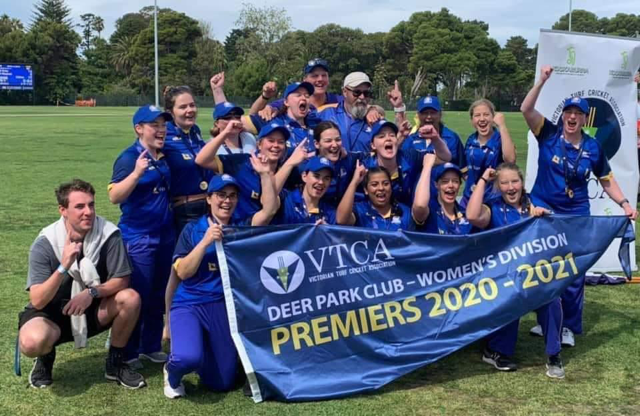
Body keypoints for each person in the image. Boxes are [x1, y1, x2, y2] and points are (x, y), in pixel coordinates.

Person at [520, 65, 637, 347]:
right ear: (563, 116)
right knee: (542, 268)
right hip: (543, 211)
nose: (572, 117)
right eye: (569, 112)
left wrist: (624, 203)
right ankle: (545, 320)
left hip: (575, 215)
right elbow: (526, 109)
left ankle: (568, 326)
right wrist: (541, 81)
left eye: (578, 114)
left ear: (585, 118)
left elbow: (607, 180)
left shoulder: (594, 147)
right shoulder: (547, 133)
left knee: (572, 272)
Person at [164, 166, 279, 398]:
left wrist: (266, 174)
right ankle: (171, 371)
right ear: (209, 198)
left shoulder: (240, 227)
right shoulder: (193, 229)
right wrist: (205, 241)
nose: (227, 201)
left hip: (222, 307)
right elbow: (183, 273)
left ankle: (201, 347)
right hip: (190, 303)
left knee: (222, 382)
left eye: (232, 196)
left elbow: (268, 211)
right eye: (221, 195)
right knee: (187, 358)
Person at [18, 179, 145, 389]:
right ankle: (45, 359)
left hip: (91, 308)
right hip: (51, 314)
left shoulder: (108, 234)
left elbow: (122, 280)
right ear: (63, 210)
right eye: (79, 206)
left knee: (130, 298)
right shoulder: (45, 242)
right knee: (32, 342)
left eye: (91, 205)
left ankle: (115, 363)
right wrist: (63, 266)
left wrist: (91, 293)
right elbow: (38, 300)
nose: (88, 212)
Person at [466, 163, 565, 379]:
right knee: (510, 294)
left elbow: (556, 236)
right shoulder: (493, 207)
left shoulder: (535, 204)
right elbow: (472, 216)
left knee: (552, 298)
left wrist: (542, 219)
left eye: (515, 181)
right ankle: (495, 350)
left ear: (522, 182)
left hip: (535, 276)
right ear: (498, 186)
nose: (511, 187)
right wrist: (483, 180)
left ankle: (554, 355)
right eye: (504, 183)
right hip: (504, 278)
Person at [109, 105, 175, 368]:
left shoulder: (163, 154)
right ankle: (129, 350)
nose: (161, 130)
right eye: (154, 125)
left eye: (163, 124)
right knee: (140, 293)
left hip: (164, 234)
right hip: (138, 236)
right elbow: (114, 196)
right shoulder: (128, 158)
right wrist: (136, 173)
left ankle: (150, 345)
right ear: (139, 129)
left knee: (158, 293)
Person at [196, 121, 311, 222]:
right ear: (259, 145)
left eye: (281, 142)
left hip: (273, 234)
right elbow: (202, 160)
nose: (276, 145)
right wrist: (225, 133)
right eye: (271, 141)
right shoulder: (241, 162)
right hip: (241, 231)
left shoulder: (289, 168)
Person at [336, 150, 436, 230]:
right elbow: (341, 220)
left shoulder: (405, 212)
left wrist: (427, 166)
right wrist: (354, 182)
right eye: (374, 184)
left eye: (386, 183)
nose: (381, 188)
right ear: (366, 190)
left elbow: (420, 206)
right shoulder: (360, 210)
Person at [362, 119, 451, 205]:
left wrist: (435, 138)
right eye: (381, 136)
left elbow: (444, 158)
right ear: (373, 145)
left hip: (408, 215)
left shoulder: (409, 157)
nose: (388, 138)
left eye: (392, 135)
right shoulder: (364, 165)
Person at [161, 86, 212, 234]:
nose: (190, 110)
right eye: (183, 107)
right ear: (170, 112)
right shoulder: (164, 134)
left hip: (206, 205)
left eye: (192, 105)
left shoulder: (195, 131)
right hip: (184, 210)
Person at [460, 99, 516, 208]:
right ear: (472, 120)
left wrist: (502, 126)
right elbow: (465, 168)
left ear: (493, 118)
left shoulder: (501, 139)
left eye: (486, 114)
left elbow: (510, 160)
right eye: (477, 115)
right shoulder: (471, 139)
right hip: (469, 198)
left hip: (493, 200)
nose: (482, 119)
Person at [249, 58, 343, 119]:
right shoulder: (292, 102)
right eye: (315, 76)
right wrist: (265, 97)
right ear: (305, 80)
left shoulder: (338, 100)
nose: (320, 79)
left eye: (324, 75)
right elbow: (252, 115)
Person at [243, 82, 319, 152]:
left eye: (307, 96)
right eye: (298, 95)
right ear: (286, 102)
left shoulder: (316, 124)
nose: (303, 98)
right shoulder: (271, 120)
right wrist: (265, 97)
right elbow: (241, 121)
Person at [318, 71, 377, 152]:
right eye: (356, 92)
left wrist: (398, 108)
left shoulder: (374, 118)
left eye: (366, 93)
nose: (362, 97)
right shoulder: (326, 114)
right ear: (345, 92)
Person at [401, 96, 464, 167]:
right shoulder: (411, 138)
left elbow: (461, 168)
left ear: (440, 114)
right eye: (424, 113)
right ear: (418, 115)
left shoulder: (451, 138)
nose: (429, 116)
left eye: (433, 112)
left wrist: (424, 161)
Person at [274, 156, 338, 224]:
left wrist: (326, 231)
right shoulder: (285, 199)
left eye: (326, 178)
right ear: (304, 176)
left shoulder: (330, 214)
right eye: (316, 176)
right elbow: (268, 198)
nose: (321, 182)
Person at [420, 163, 473, 235]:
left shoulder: (466, 215)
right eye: (445, 181)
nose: (451, 185)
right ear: (436, 185)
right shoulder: (429, 214)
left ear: (460, 185)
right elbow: (419, 206)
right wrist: (427, 165)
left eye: (455, 181)